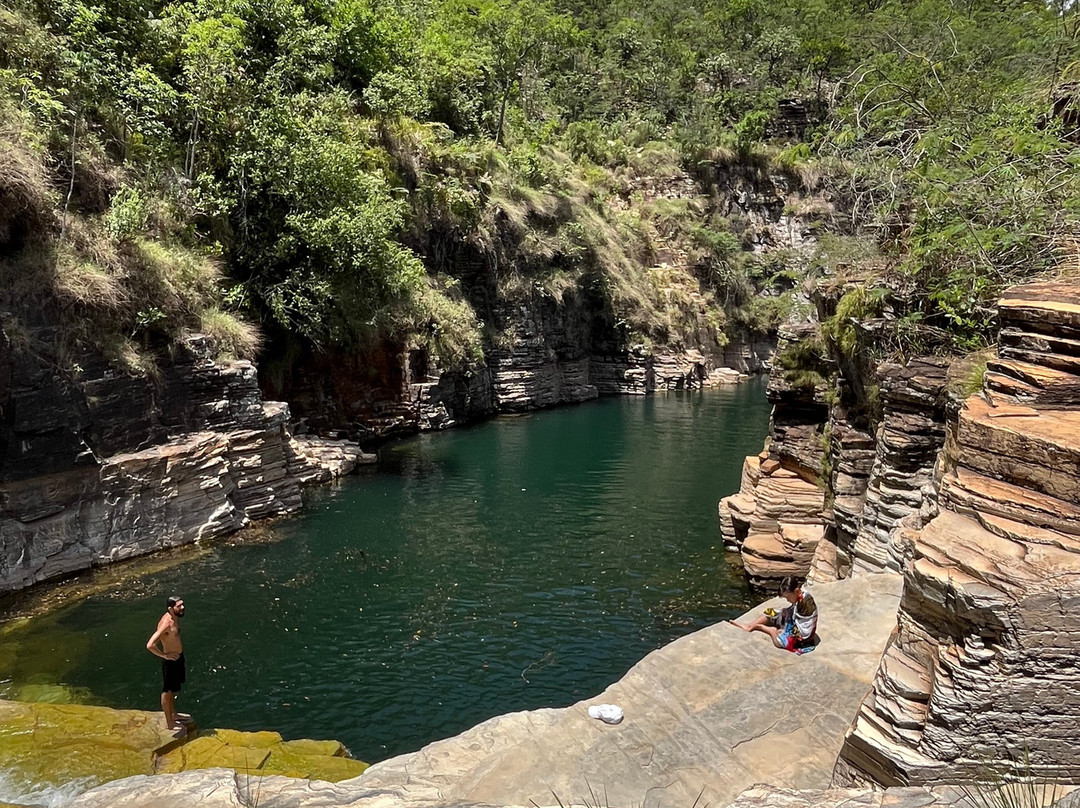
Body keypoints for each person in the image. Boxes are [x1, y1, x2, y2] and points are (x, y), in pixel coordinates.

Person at [728, 576, 819, 654]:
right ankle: (750, 626)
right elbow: (793, 612)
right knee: (770, 612)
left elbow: (804, 631)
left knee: (779, 641)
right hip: (795, 621)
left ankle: (768, 630)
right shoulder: (800, 596)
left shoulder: (804, 602)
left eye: (788, 597)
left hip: (803, 639)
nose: (787, 600)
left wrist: (784, 629)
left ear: (796, 591)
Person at [146, 595, 187, 730]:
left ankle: (174, 714)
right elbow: (150, 645)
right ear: (170, 608)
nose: (182, 607)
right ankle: (170, 723)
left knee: (173, 689)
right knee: (167, 691)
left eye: (182, 604)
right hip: (171, 661)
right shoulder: (166, 624)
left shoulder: (174, 619)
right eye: (178, 606)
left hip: (178, 658)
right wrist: (164, 656)